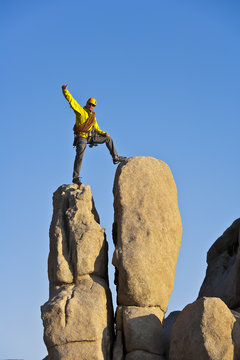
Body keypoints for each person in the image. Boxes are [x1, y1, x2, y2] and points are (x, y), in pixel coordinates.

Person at [62, 84, 126, 185]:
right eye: (90, 104)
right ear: (87, 103)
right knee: (80, 155)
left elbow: (97, 129)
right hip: (82, 137)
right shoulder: (80, 111)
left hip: (91, 137)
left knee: (109, 139)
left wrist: (104, 133)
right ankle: (75, 177)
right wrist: (64, 90)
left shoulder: (93, 117)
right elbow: (71, 100)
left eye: (93, 105)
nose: (91, 106)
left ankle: (115, 158)